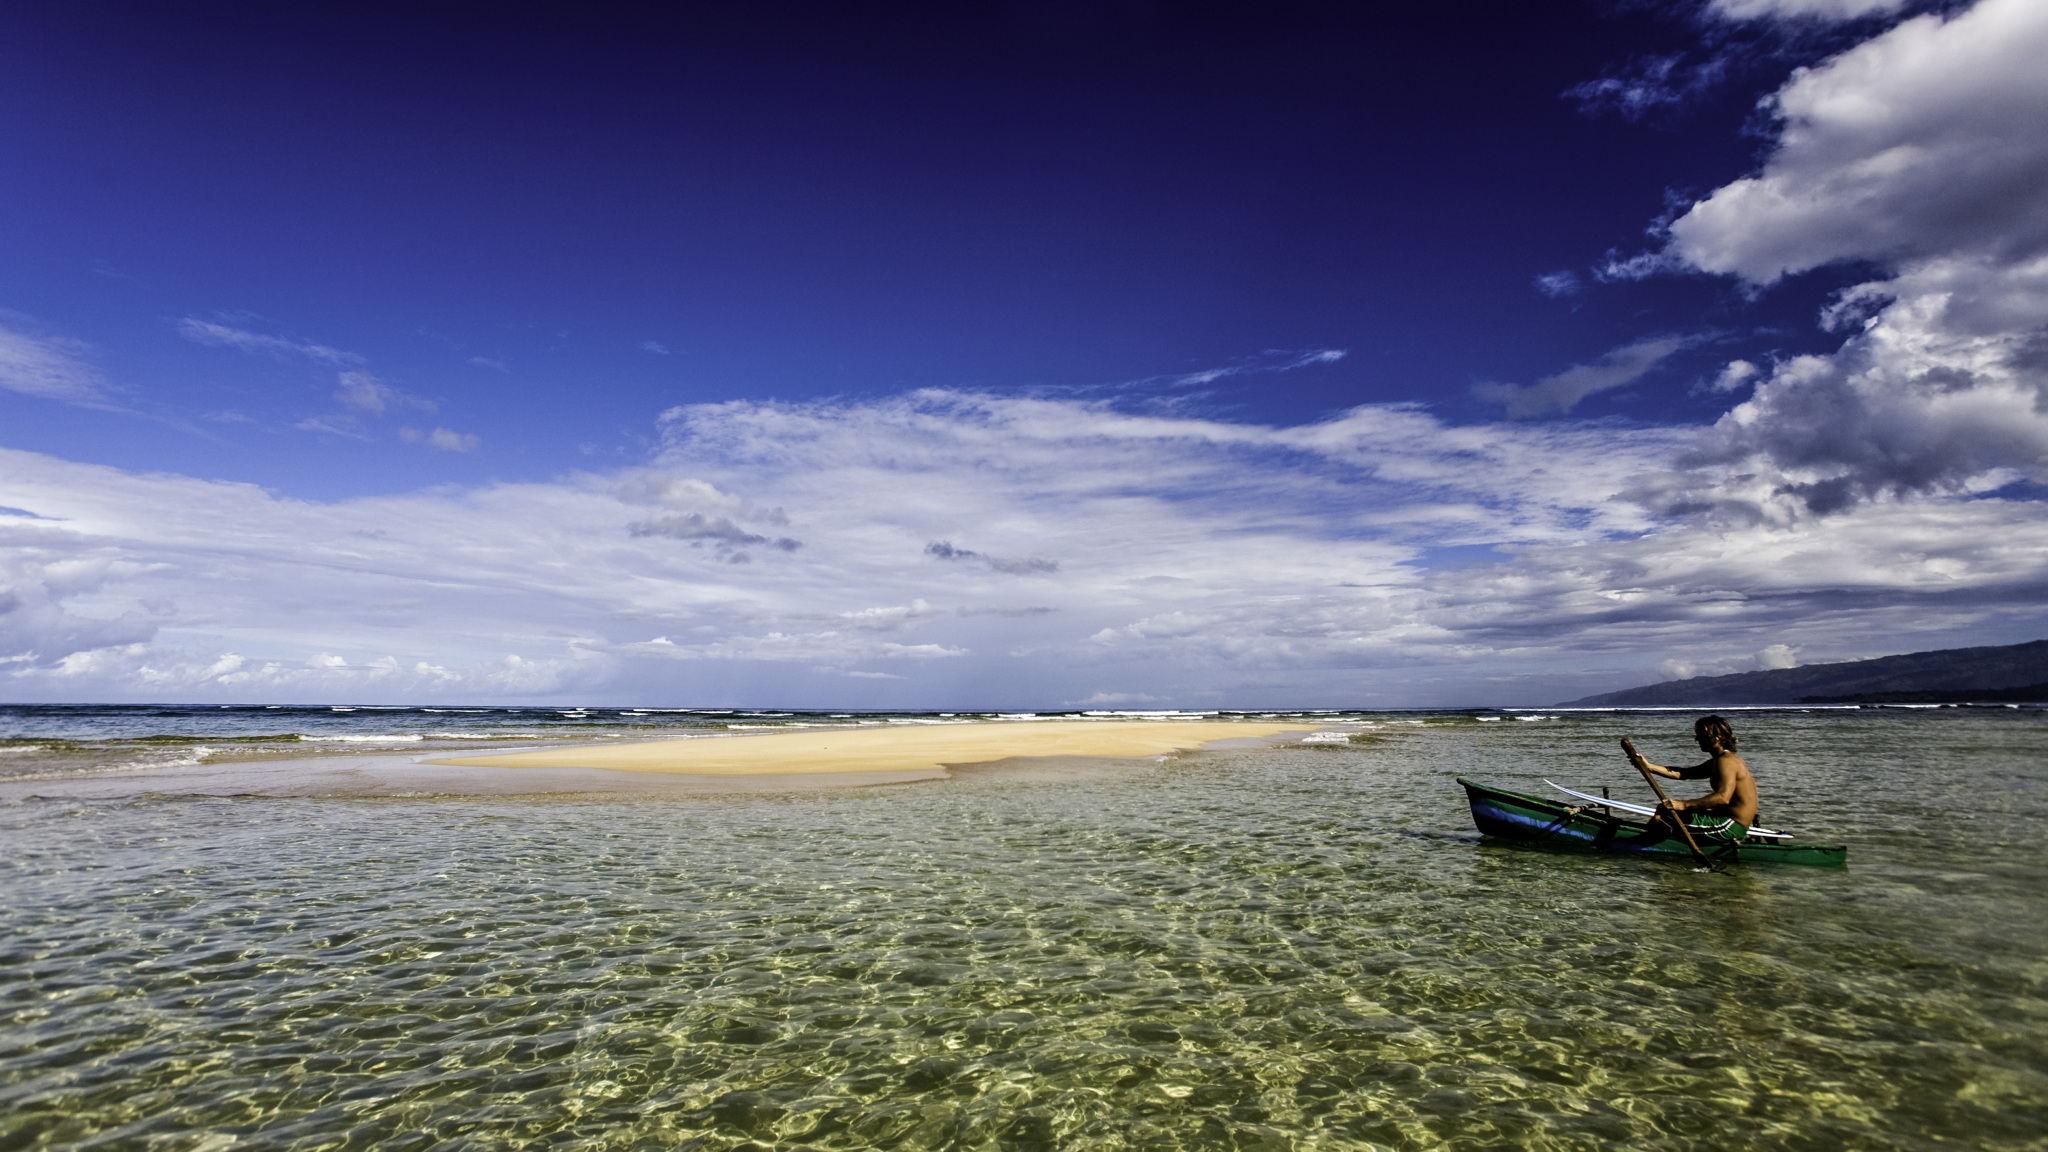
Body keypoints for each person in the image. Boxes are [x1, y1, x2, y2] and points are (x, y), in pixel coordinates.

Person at [1622, 715, 1759, 843]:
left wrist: (1683, 805)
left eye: (1703, 735)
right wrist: (1649, 766)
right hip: (1722, 820)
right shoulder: (1717, 761)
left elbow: (1722, 797)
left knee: (1663, 820)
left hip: (1730, 826)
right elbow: (1683, 773)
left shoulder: (1726, 762)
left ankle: (1643, 846)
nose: (1697, 739)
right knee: (1663, 810)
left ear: (1719, 738)